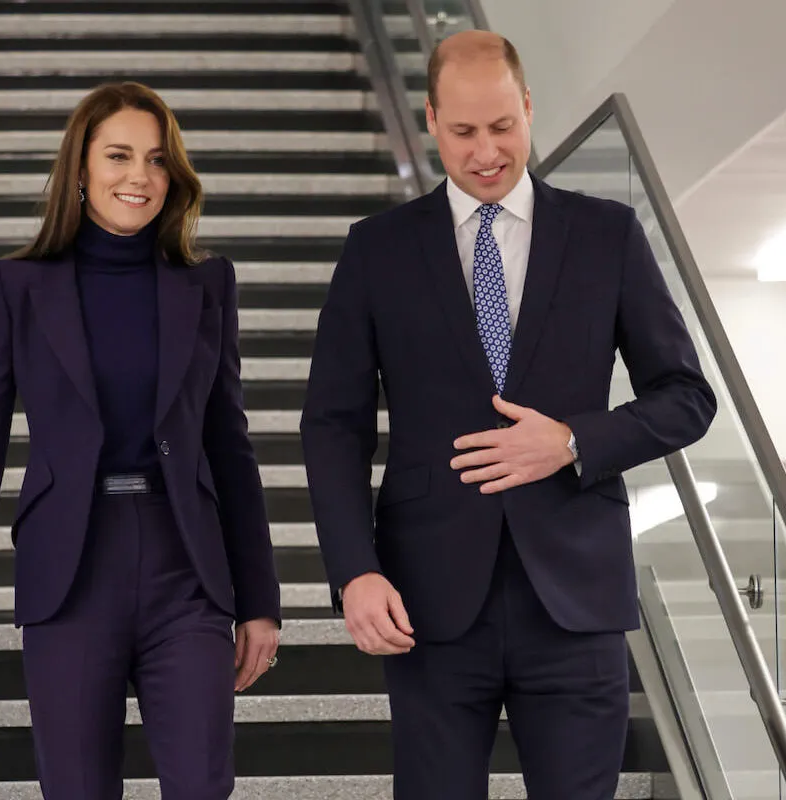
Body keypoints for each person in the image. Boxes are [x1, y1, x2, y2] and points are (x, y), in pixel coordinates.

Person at [300, 31, 717, 800]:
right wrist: (355, 570)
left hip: (576, 601)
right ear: (430, 121)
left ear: (528, 107)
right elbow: (333, 424)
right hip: (426, 603)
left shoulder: (607, 237)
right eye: (463, 132)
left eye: (502, 126)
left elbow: (687, 396)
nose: (486, 150)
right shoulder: (376, 250)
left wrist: (571, 441)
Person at [0, 81, 281, 799]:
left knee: (202, 785)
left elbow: (230, 446)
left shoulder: (206, 284)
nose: (140, 176)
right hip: (70, 573)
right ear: (80, 167)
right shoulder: (18, 286)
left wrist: (259, 600)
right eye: (119, 156)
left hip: (185, 570)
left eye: (158, 160)